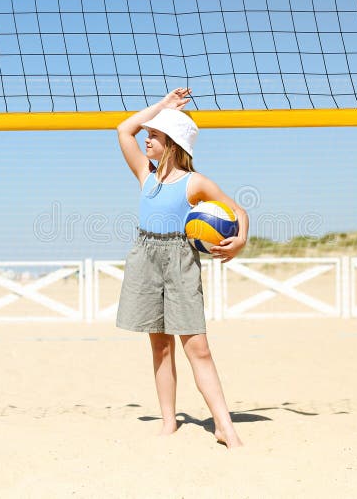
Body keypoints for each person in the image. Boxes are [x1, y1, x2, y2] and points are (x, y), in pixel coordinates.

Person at [115, 87, 248, 449]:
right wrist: (162, 107)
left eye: (154, 135)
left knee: (198, 347)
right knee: (159, 347)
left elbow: (239, 212)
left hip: (180, 261)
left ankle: (225, 426)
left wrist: (241, 239)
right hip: (145, 258)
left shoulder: (196, 183)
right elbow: (123, 129)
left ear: (172, 143)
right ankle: (169, 422)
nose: (146, 138)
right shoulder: (146, 174)